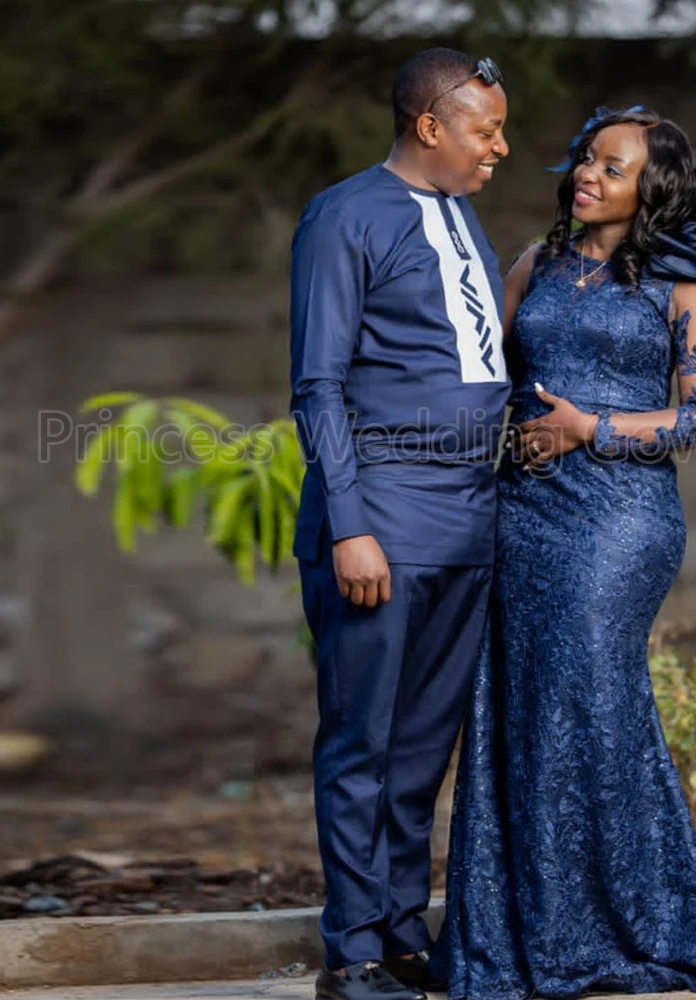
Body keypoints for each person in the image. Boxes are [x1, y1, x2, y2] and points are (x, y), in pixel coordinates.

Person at [432, 106, 696, 997]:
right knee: (519, 707)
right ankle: (529, 933)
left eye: (612, 167)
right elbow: (479, 375)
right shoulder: (534, 263)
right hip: (523, 516)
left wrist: (588, 427)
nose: (586, 175)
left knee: (589, 702)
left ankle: (621, 926)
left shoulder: (686, 287)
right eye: (586, 159)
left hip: (619, 524)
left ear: (652, 188)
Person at [289, 47, 510, 1000]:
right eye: (485, 129)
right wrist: (350, 525)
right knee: (361, 741)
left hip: (469, 521)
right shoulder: (345, 215)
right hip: (381, 517)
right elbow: (319, 381)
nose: (500, 146)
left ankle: (398, 928)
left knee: (423, 747)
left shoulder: (465, 218)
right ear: (431, 126)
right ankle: (352, 954)